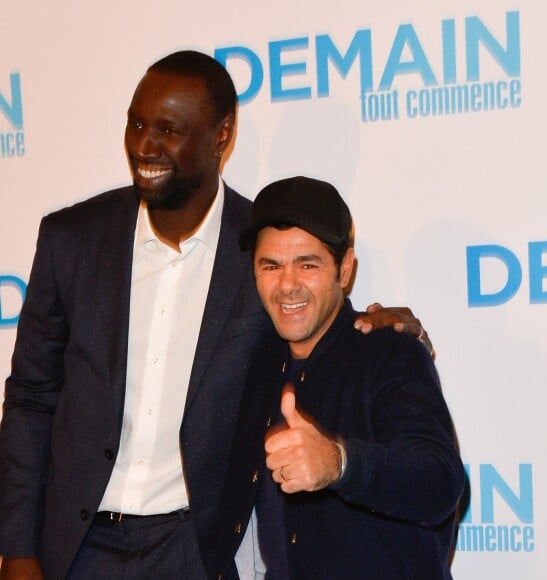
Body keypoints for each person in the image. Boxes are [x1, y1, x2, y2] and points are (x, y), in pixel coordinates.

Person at [0, 52, 432, 580]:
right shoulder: (71, 240)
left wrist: (387, 326)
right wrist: (17, 549)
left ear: (222, 136)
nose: (144, 146)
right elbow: (30, 398)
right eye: (136, 123)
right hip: (76, 545)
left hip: (193, 549)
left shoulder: (259, 245)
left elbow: (309, 309)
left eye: (169, 129)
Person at [213, 176, 465, 580]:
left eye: (307, 264)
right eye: (270, 266)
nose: (287, 285)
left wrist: (340, 463)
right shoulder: (253, 368)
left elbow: (440, 483)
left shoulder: (390, 352)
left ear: (344, 269)